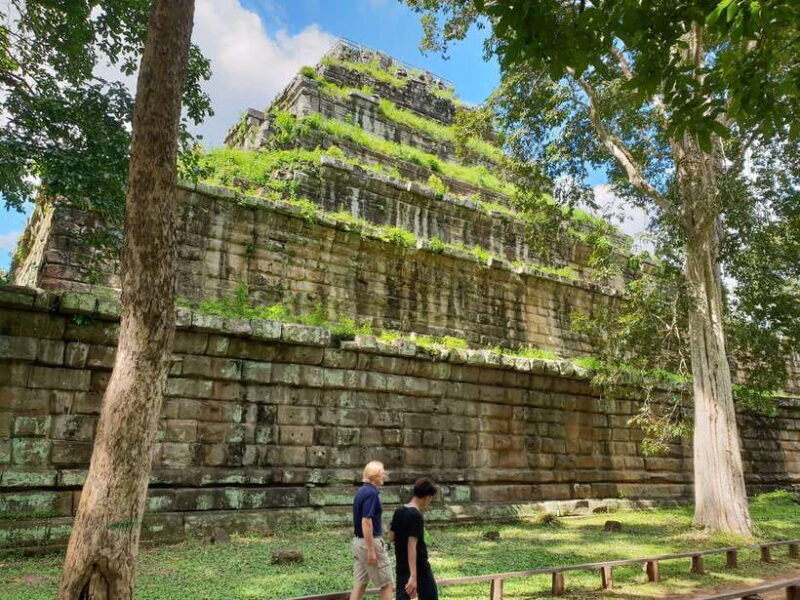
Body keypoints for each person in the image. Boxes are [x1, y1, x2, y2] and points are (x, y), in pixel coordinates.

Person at [349, 461, 393, 600]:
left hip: (358, 542)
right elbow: (366, 521)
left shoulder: (361, 491)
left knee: (360, 583)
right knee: (387, 584)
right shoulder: (371, 494)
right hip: (369, 542)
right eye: (382, 473)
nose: (385, 475)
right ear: (375, 476)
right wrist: (371, 550)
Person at [390, 478, 439, 600]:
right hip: (419, 567)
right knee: (431, 596)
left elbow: (391, 537)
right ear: (427, 497)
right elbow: (411, 545)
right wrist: (413, 576)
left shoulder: (399, 511)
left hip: (401, 565)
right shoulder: (416, 515)